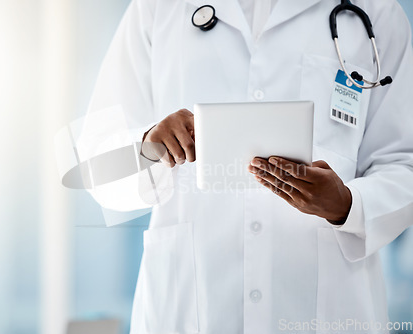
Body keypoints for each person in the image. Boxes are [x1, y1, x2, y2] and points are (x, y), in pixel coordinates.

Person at [80, 0, 413, 333]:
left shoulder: (377, 11)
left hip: (327, 310)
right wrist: (149, 146)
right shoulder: (157, 8)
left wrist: (348, 205)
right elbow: (96, 166)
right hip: (191, 309)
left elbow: (404, 162)